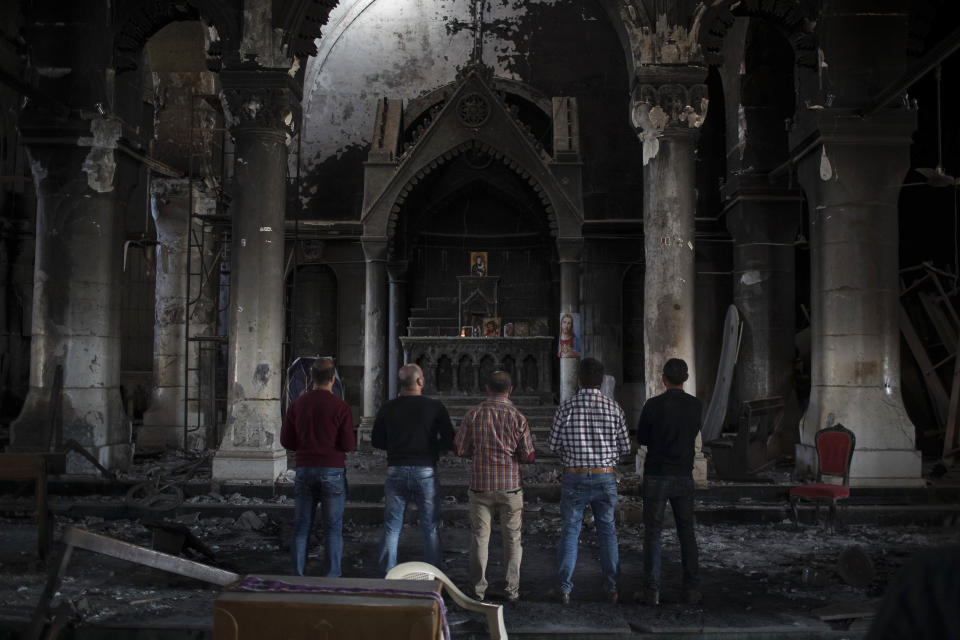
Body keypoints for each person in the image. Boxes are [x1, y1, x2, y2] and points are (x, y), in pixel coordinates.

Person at [548, 357, 630, 604]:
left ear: (579, 381)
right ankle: (612, 588)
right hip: (605, 476)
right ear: (601, 381)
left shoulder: (566, 408)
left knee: (570, 532)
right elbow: (626, 446)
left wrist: (570, 455)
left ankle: (564, 589)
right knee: (607, 532)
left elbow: (552, 445)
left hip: (574, 476)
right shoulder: (614, 408)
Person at [454, 370, 536, 601]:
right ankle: (512, 590)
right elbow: (528, 456)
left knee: (480, 538)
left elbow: (459, 448)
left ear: (487, 388)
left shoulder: (474, 414)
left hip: (481, 486)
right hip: (510, 486)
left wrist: (476, 452)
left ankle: (477, 589)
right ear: (510, 389)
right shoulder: (518, 417)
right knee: (512, 539)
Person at [372, 363, 456, 574]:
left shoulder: (388, 408)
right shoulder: (435, 407)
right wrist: (431, 449)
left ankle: (386, 573)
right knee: (430, 527)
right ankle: (434, 575)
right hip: (425, 471)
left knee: (392, 526)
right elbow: (449, 440)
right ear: (420, 382)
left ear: (400, 384)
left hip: (396, 469)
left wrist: (396, 448)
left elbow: (376, 440)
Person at [280, 358, 356, 577]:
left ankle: (297, 574)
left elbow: (286, 441)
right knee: (332, 528)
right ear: (333, 379)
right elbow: (348, 445)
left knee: (302, 526)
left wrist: (305, 447)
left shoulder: (297, 405)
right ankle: (332, 577)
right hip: (332, 471)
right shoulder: (341, 407)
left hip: (304, 469)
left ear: (310, 377)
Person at [635, 357, 702, 606]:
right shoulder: (696, 406)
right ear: (685, 379)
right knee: (687, 533)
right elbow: (694, 433)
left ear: (663, 378)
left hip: (657, 474)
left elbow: (642, 437)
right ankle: (692, 589)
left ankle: (651, 591)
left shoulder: (653, 405)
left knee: (653, 533)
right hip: (683, 475)